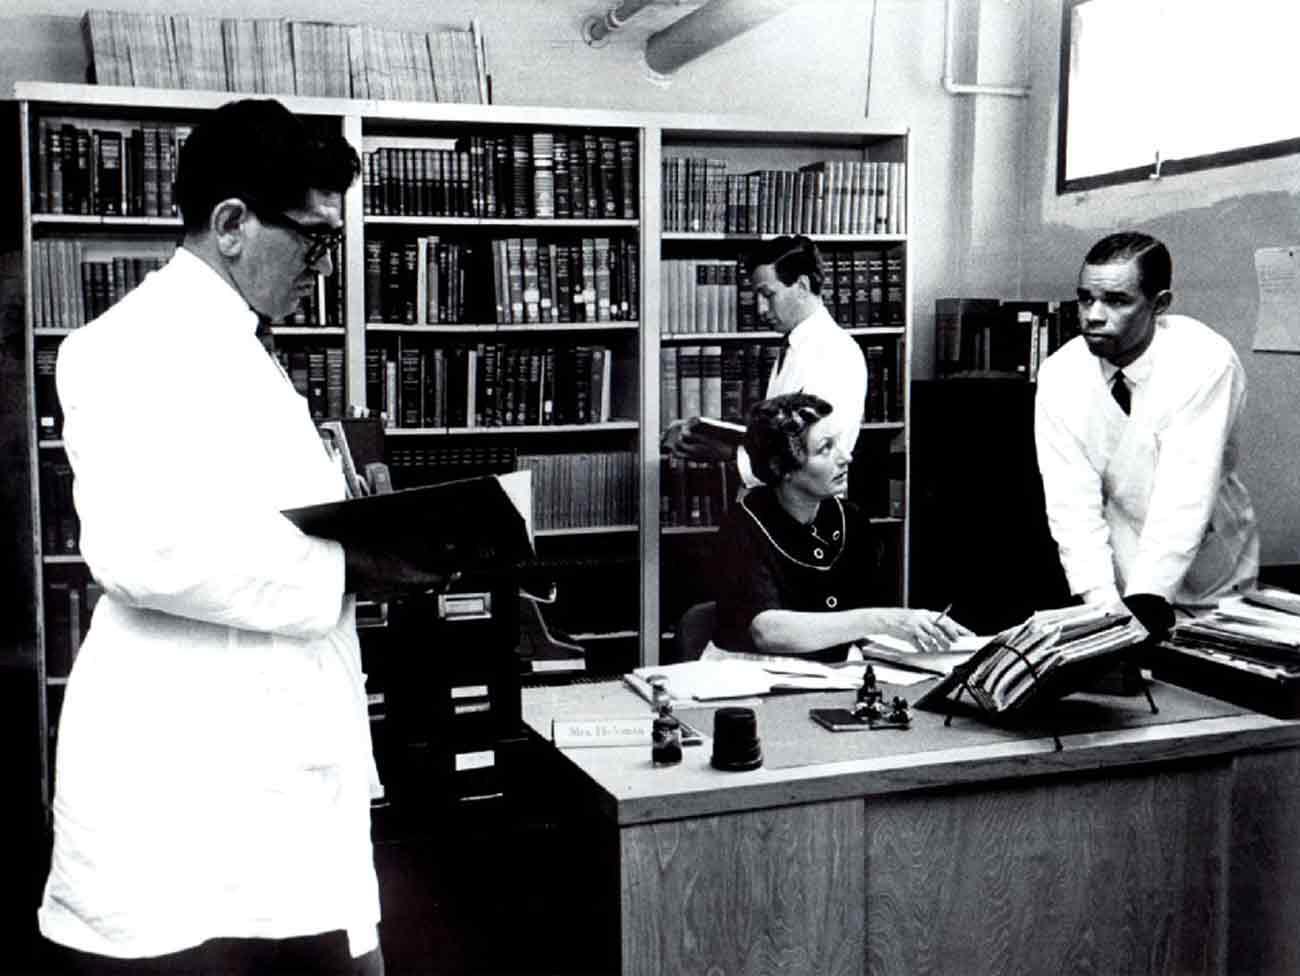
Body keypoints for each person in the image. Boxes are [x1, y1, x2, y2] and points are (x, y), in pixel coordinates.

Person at [39, 99, 439, 975]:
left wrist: (354, 511)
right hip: (185, 777)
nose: (322, 269)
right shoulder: (123, 347)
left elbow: (250, 515)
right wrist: (350, 561)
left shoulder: (240, 347)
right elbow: (149, 549)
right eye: (314, 241)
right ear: (230, 224)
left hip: (268, 763)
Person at [1034, 231, 1259, 636]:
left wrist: (1145, 603)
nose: (1093, 315)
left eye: (1116, 300)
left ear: (1160, 305)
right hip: (1120, 572)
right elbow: (1071, 505)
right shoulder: (1059, 375)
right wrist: (1103, 610)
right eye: (1085, 298)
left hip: (1210, 576)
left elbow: (1184, 497)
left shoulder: (1204, 363)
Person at [711, 393, 969, 662]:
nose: (846, 457)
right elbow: (767, 632)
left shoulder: (851, 519)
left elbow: (867, 618)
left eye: (840, 444)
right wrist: (883, 619)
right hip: (753, 679)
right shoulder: (742, 526)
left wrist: (917, 628)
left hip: (837, 674)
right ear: (782, 468)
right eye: (825, 448)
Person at [661, 235, 867, 489]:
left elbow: (815, 451)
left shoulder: (835, 353)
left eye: (768, 295)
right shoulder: (795, 346)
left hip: (805, 510)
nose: (760, 309)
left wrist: (728, 454)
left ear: (802, 287)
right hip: (781, 502)